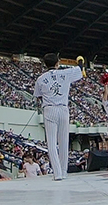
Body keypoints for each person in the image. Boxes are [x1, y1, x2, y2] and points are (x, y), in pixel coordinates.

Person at [33, 53, 84, 181]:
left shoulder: (40, 78)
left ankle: (57, 173)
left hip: (49, 109)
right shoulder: (66, 73)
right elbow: (80, 70)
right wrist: (80, 61)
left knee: (51, 142)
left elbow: (38, 96)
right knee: (63, 142)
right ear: (58, 63)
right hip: (63, 108)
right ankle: (64, 171)